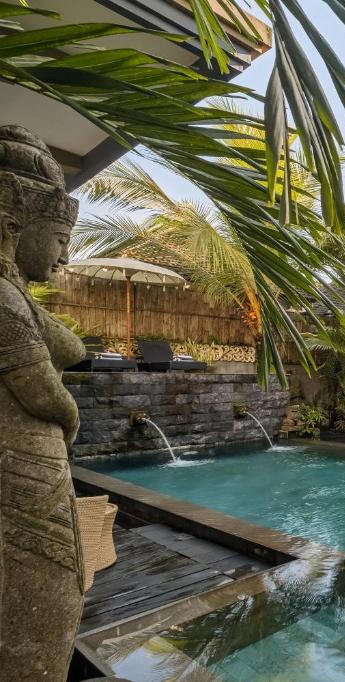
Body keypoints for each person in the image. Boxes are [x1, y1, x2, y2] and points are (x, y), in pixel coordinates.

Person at [0, 125, 86, 679]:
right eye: (57, 238)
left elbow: (71, 348)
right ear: (14, 224)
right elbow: (42, 390)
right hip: (24, 468)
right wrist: (72, 417)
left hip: (27, 470)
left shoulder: (11, 294)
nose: (63, 254)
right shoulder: (4, 299)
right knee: (43, 600)